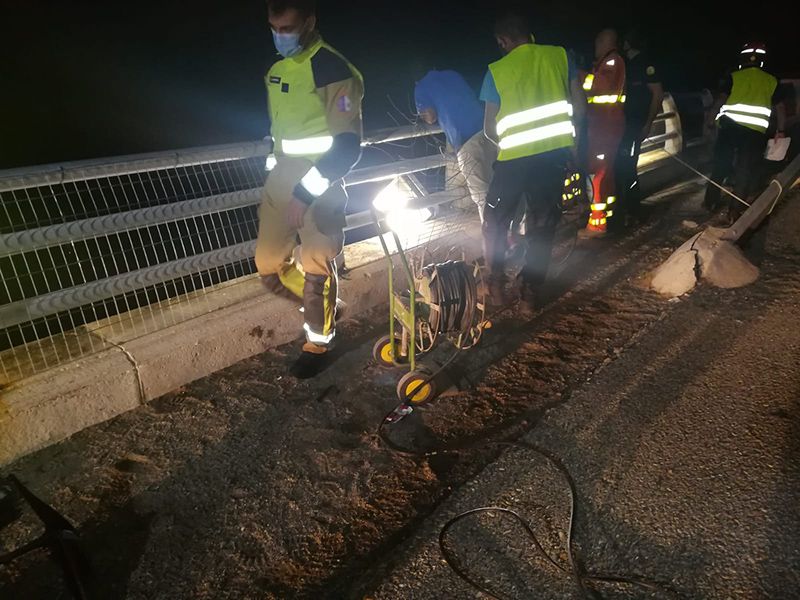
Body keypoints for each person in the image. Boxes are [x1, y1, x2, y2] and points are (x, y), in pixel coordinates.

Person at [256, 0, 364, 379]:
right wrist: (274, 175)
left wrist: (305, 193)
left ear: (309, 22)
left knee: (317, 264)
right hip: (281, 183)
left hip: (320, 185)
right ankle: (327, 307)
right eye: (274, 28)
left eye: (287, 28)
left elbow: (347, 147)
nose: (280, 36)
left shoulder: (334, 68)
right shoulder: (275, 70)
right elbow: (279, 134)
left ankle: (318, 342)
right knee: (269, 267)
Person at [480, 11, 585, 313]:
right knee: (542, 225)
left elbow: (489, 128)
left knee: (495, 221)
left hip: (513, 162)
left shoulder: (496, 70)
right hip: (552, 157)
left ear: (502, 41)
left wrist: (509, 143)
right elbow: (580, 108)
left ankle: (495, 286)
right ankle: (529, 294)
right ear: (530, 35)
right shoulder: (560, 57)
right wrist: (569, 145)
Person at [704, 42, 786, 222]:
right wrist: (780, 131)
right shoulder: (771, 81)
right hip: (754, 132)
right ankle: (734, 212)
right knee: (745, 170)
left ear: (742, 59)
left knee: (721, 164)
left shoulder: (734, 76)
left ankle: (710, 201)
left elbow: (720, 100)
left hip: (729, 128)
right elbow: (780, 108)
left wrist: (710, 121)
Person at [415, 69, 496, 221]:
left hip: (466, 139)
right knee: (498, 183)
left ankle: (493, 232)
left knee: (481, 193)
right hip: (487, 130)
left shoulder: (421, 87)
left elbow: (430, 117)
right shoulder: (453, 74)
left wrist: (422, 114)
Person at [616, 28, 664, 226]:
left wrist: (647, 124)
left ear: (628, 43)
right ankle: (624, 208)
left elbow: (657, 94)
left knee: (628, 167)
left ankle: (634, 210)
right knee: (620, 166)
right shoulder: (624, 64)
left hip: (634, 125)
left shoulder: (645, 64)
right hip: (621, 124)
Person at [582, 29, 626, 237]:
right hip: (607, 124)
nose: (595, 47)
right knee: (606, 172)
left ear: (604, 42)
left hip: (604, 125)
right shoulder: (610, 62)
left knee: (597, 172)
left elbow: (600, 86)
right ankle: (608, 215)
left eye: (597, 43)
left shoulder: (611, 61)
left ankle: (597, 224)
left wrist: (577, 75)